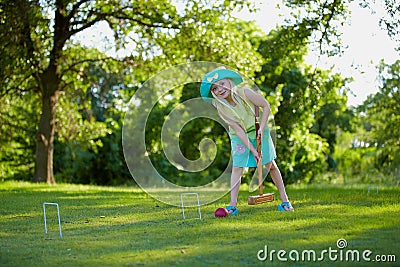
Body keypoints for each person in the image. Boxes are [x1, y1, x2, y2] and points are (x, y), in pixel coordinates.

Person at [200, 67, 294, 214]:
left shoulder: (245, 92)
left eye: (222, 84)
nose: (220, 89)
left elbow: (266, 105)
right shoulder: (221, 108)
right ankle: (232, 205)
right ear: (213, 93)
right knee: (238, 167)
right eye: (215, 88)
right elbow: (238, 131)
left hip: (259, 129)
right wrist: (252, 149)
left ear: (229, 82)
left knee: (270, 165)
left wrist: (261, 129)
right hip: (239, 136)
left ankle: (285, 201)